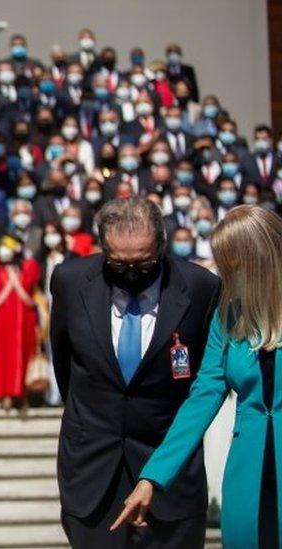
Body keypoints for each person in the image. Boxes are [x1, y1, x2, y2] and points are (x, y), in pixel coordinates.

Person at [50, 198, 221, 548]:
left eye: (143, 262)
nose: (130, 271)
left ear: (161, 246)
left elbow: (203, 377)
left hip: (170, 472)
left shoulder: (201, 287)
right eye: (118, 262)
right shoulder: (69, 281)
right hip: (93, 471)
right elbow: (65, 363)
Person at [114, 205, 282, 548]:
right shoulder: (228, 316)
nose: (226, 273)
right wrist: (153, 476)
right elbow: (203, 396)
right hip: (248, 471)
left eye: (232, 263)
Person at [0, 235, 40, 409]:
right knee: (1, 355)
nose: (3, 250)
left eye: (7, 246)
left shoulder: (29, 266)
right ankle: (3, 394)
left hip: (24, 318)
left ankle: (22, 395)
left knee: (24, 352)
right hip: (1, 317)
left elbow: (35, 291)